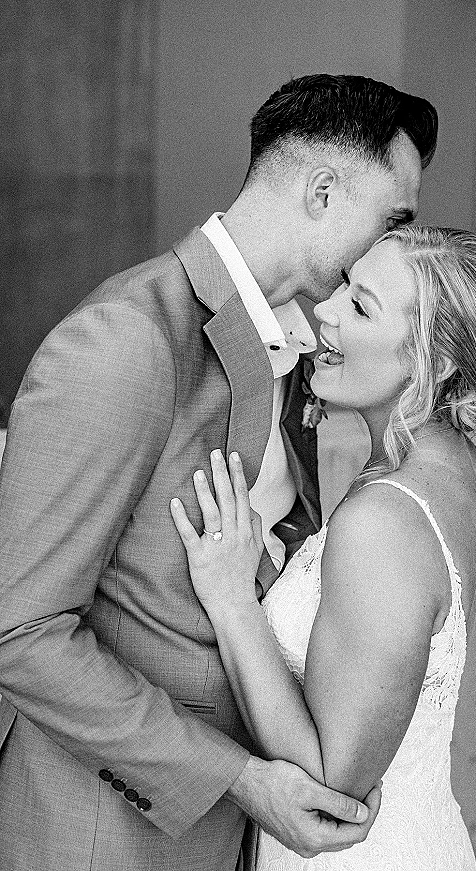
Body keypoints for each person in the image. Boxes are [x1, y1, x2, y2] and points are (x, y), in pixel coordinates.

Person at [0, 76, 437, 870]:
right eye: (392, 219)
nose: (393, 248)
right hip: (102, 839)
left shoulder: (284, 346)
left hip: (232, 839)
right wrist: (237, 778)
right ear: (325, 190)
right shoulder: (125, 340)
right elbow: (17, 631)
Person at [171, 225, 476, 870]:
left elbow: (332, 786)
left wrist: (231, 602)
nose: (324, 313)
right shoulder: (461, 472)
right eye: (343, 290)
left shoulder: (385, 517)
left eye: (361, 307)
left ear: (433, 363)